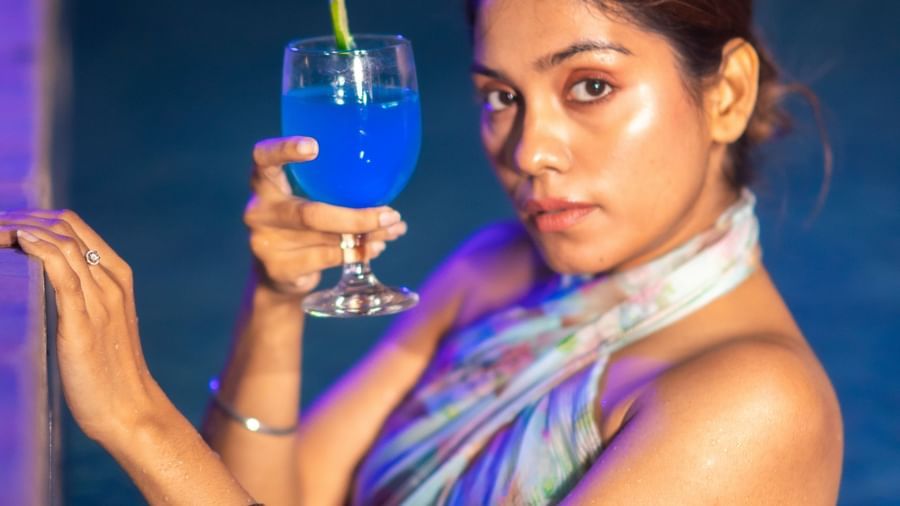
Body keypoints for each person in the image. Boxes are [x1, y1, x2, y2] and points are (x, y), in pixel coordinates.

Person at [0, 0, 843, 504]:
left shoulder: (753, 408)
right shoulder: (497, 270)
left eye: (590, 85)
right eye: (500, 96)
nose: (528, 149)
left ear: (725, 93)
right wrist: (277, 297)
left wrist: (137, 421)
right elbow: (271, 498)